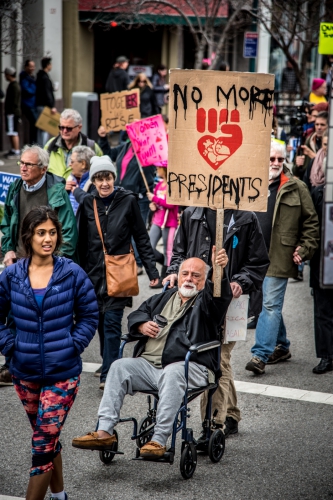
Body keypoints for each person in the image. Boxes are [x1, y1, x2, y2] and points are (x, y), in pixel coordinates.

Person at [72, 252, 232, 457]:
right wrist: (141, 324)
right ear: (178, 276)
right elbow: (138, 313)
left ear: (204, 281)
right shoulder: (165, 297)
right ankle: (104, 432)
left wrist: (219, 271)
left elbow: (219, 295)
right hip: (151, 366)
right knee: (118, 366)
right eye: (185, 274)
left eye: (196, 275)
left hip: (191, 367)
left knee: (173, 371)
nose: (189, 279)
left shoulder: (207, 302)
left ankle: (158, 440)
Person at [0, 206, 99, 500]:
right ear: (29, 236)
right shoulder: (12, 275)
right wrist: (10, 345)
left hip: (63, 373)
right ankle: (60, 495)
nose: (48, 239)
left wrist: (72, 345)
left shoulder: (71, 273)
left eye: (52, 232)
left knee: (41, 445)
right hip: (25, 372)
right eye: (41, 233)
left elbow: (90, 315)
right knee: (47, 438)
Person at [163, 204, 269, 438]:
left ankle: (213, 425)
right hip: (195, 300)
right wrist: (174, 271)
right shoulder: (192, 213)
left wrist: (240, 281)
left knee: (218, 359)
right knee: (218, 360)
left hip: (229, 301)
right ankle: (230, 413)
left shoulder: (246, 217)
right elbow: (179, 253)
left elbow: (258, 262)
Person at [75, 155, 159, 389]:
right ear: (94, 180)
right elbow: (81, 242)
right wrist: (77, 274)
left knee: (112, 321)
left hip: (119, 273)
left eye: (108, 177)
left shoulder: (128, 200)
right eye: (99, 178)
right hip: (92, 275)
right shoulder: (88, 203)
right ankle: (107, 360)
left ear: (114, 177)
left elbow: (141, 237)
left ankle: (109, 374)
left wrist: (152, 269)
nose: (104, 183)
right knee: (100, 321)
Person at [246, 141, 319, 375]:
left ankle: (260, 355)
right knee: (269, 305)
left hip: (279, 256)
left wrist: (305, 248)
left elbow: (311, 222)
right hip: (251, 258)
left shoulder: (296, 186)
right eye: (271, 159)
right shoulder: (249, 184)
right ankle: (283, 345)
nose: (276, 163)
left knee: (269, 305)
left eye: (279, 159)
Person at [98, 125, 156, 274]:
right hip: (121, 194)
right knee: (124, 229)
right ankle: (131, 260)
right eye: (131, 130)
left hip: (139, 197)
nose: (132, 132)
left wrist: (144, 193)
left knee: (138, 230)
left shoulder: (146, 151)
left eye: (136, 130)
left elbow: (149, 176)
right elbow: (109, 153)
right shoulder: (125, 147)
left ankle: (139, 264)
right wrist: (103, 138)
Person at [310, 177, 333, 374]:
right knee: (322, 311)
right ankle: (327, 356)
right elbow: (310, 225)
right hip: (323, 262)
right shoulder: (318, 193)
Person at [45, 108, 102, 179]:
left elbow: (102, 173)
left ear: (79, 127)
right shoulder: (50, 145)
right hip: (54, 190)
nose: (64, 131)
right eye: (61, 127)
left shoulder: (91, 147)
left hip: (80, 189)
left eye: (69, 128)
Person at [147, 166, 178, 288]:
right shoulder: (159, 184)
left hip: (169, 222)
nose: (157, 170)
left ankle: (164, 277)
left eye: (159, 168)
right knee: (148, 247)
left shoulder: (173, 185)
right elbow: (156, 203)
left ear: (165, 170)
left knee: (168, 251)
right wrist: (152, 205)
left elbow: (170, 203)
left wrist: (154, 198)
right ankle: (166, 263)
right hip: (157, 221)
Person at [294, 111, 328, 180]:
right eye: (317, 124)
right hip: (307, 182)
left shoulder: (330, 144)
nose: (319, 127)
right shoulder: (308, 140)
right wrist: (297, 164)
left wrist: (310, 154)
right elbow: (295, 171)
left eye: (322, 125)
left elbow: (327, 166)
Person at [65, 145, 95, 214]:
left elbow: (92, 205)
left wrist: (77, 192)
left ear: (83, 164)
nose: (69, 164)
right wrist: (63, 191)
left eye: (72, 162)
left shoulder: (95, 182)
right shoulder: (70, 179)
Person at [35, 57, 57, 146]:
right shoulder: (45, 78)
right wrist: (52, 106)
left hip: (40, 105)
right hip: (44, 106)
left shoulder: (40, 76)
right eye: (50, 64)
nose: (51, 66)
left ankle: (41, 146)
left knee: (41, 128)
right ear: (48, 65)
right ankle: (43, 147)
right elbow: (47, 93)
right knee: (44, 128)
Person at [4, 67, 21, 159]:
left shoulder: (14, 86)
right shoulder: (13, 85)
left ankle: (16, 150)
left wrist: (11, 111)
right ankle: (14, 149)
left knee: (13, 132)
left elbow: (14, 102)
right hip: (12, 112)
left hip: (12, 113)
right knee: (11, 132)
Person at [20, 59, 37, 143]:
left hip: (32, 104)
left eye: (33, 66)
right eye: (30, 66)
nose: (32, 68)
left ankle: (33, 142)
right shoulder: (24, 77)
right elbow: (26, 90)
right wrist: (35, 90)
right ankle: (32, 143)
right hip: (27, 104)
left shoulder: (31, 77)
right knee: (34, 122)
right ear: (26, 67)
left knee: (34, 124)